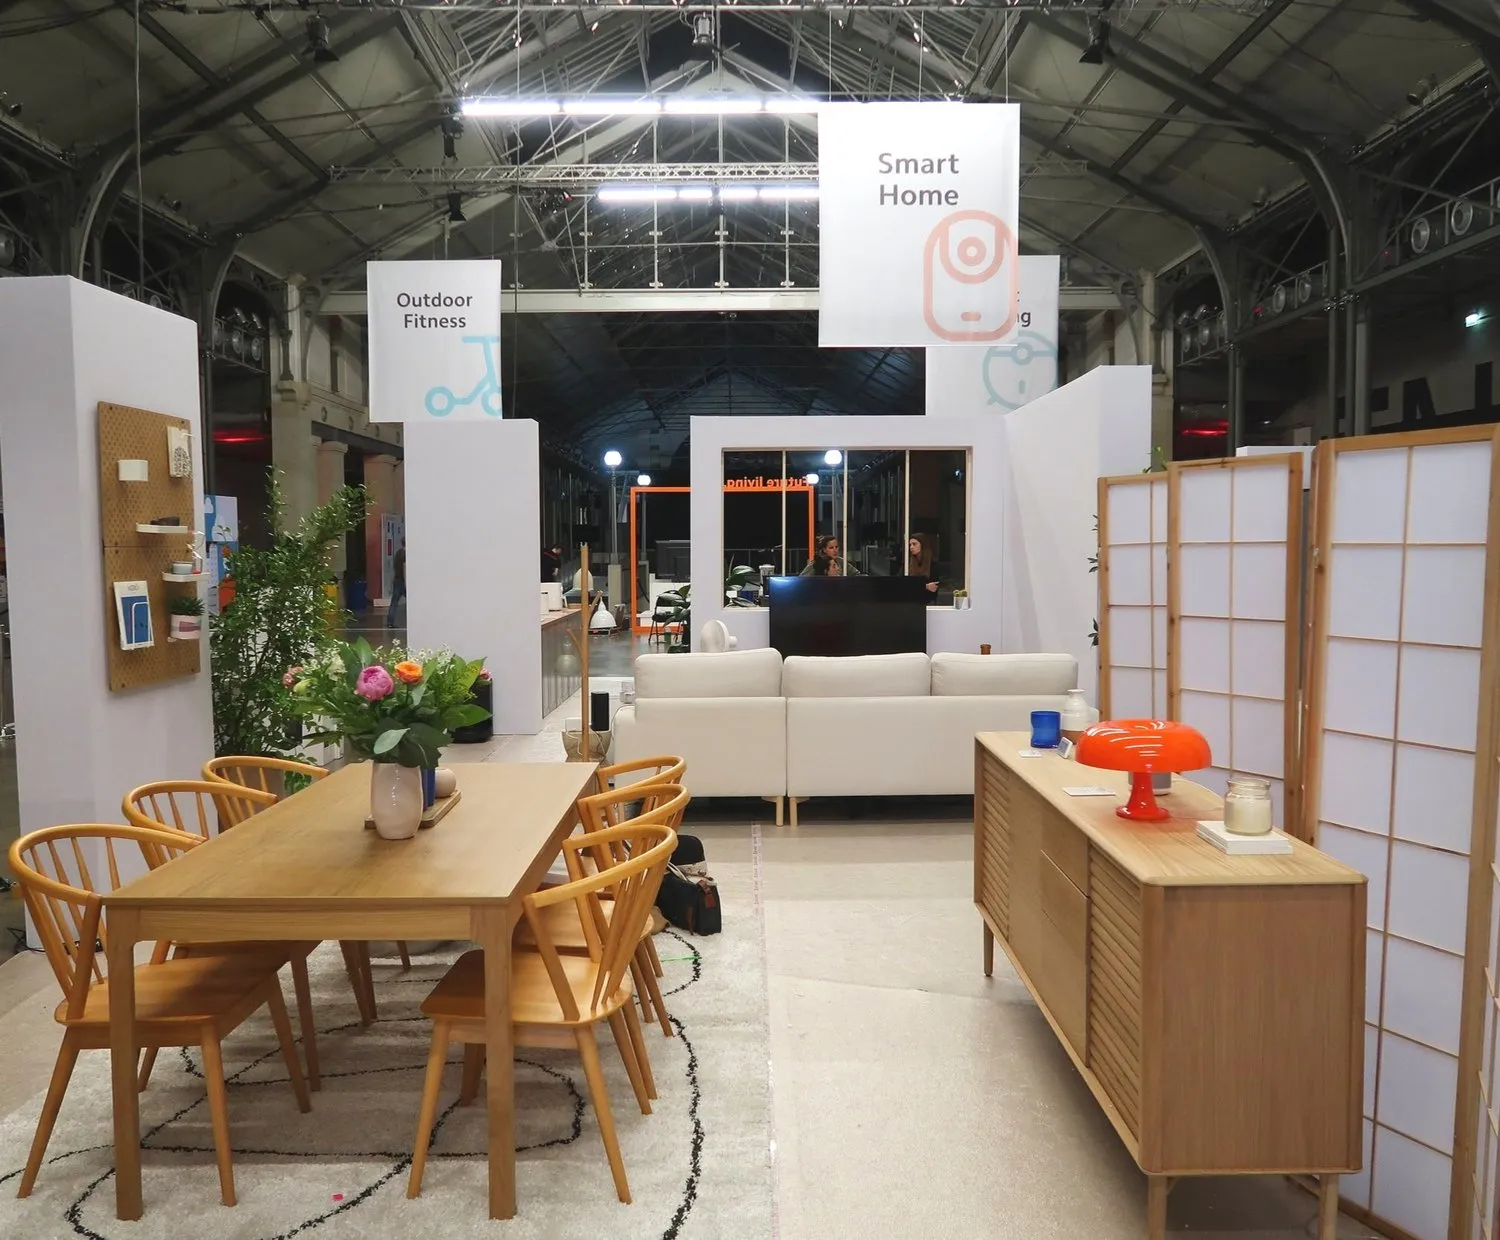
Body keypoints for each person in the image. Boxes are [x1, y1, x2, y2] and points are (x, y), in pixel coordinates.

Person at [387, 541, 406, 628]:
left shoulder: (398, 553)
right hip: (403, 581)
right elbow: (404, 568)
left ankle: (390, 622)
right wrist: (406, 582)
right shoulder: (405, 554)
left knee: (394, 602)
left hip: (397, 580)